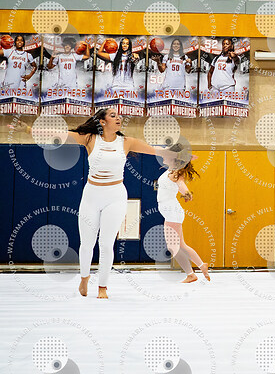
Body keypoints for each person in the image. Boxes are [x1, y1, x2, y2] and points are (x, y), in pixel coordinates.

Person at [14, 108, 187, 298]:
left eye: (119, 115)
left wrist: (177, 155)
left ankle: (102, 287)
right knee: (87, 243)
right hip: (91, 195)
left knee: (106, 244)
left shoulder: (126, 142)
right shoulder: (89, 139)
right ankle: (84, 277)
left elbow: (157, 150)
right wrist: (29, 130)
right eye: (113, 116)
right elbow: (60, 135)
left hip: (115, 196)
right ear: (102, 122)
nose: (118, 118)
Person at [157, 154, 210, 283]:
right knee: (181, 244)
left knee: (173, 246)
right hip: (171, 211)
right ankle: (201, 265)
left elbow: (181, 185)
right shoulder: (171, 171)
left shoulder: (175, 173)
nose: (163, 157)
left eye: (166, 155)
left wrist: (187, 193)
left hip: (172, 211)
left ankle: (191, 274)